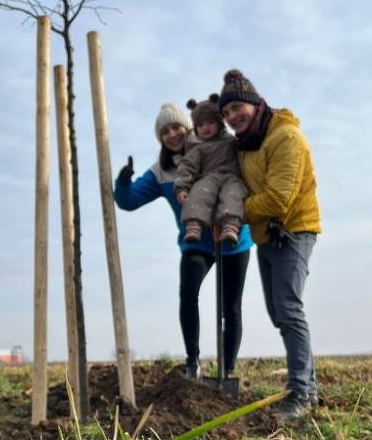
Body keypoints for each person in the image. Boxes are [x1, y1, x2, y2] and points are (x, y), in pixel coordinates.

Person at [114, 101, 253, 380]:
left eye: (177, 127)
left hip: (232, 238)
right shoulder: (162, 172)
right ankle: (193, 362)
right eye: (165, 132)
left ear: (189, 128)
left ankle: (227, 371)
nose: (172, 135)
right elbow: (129, 201)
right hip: (196, 240)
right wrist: (123, 183)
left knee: (231, 306)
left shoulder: (218, 148)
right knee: (188, 294)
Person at [218, 68, 321, 421]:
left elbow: (278, 199)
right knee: (279, 313)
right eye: (226, 112)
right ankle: (310, 388)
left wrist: (231, 213)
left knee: (288, 309)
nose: (232, 117)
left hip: (294, 230)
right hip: (267, 234)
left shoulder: (286, 137)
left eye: (237, 108)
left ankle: (299, 394)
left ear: (255, 102)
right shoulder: (246, 145)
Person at [174, 96, 247, 244]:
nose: (205, 127)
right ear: (195, 128)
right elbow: (187, 166)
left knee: (234, 193)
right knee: (198, 192)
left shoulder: (231, 142)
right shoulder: (197, 148)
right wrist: (181, 187)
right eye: (200, 125)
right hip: (209, 178)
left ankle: (231, 226)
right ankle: (193, 225)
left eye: (210, 122)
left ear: (220, 123)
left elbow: (245, 154)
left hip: (232, 177)